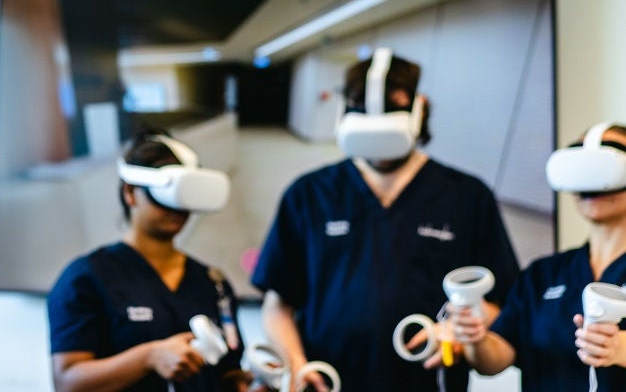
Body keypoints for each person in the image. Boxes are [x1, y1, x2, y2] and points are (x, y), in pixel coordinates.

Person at [250, 47, 520, 391]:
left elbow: (500, 304)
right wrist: (296, 365)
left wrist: (462, 329)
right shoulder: (309, 194)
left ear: (419, 109)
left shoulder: (467, 196)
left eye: (392, 107)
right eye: (362, 107)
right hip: (329, 381)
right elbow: (278, 303)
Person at [47, 131, 250, 392]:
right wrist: (148, 357)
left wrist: (246, 382)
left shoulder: (213, 282)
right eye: (167, 192)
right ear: (130, 193)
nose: (178, 207)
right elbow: (67, 383)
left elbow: (227, 371)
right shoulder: (86, 278)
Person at [455, 122, 626, 390]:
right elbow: (496, 358)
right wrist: (474, 338)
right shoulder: (543, 274)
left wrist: (620, 349)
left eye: (611, 154)